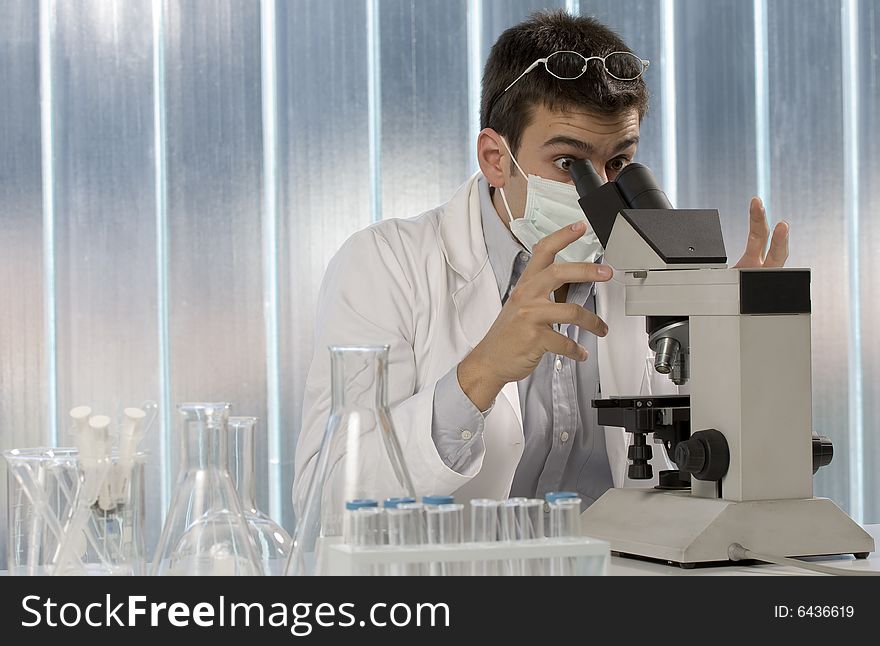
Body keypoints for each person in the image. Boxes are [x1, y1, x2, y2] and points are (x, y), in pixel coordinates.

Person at [293, 10, 789, 514]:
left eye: (617, 164)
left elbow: (714, 472)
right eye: (568, 163)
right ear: (495, 158)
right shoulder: (385, 266)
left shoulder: (644, 268)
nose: (598, 190)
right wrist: (480, 374)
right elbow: (325, 500)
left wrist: (739, 349)